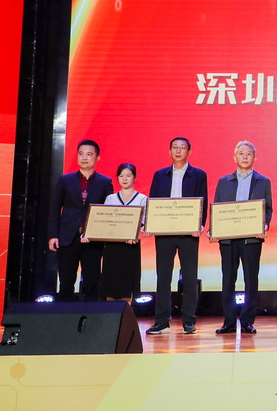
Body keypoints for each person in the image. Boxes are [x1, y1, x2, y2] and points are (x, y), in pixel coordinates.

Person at [146, 137, 209, 335]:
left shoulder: (199, 175)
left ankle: (189, 320)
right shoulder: (160, 175)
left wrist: (199, 225)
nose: (178, 151)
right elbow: (153, 201)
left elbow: (202, 201)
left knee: (190, 278)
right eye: (175, 147)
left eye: (182, 148)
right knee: (163, 277)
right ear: (169, 151)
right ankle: (162, 321)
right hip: (164, 232)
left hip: (188, 232)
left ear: (189, 152)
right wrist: (151, 224)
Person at [211, 141, 272, 335]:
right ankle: (228, 322)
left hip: (251, 239)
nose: (245, 157)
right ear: (234, 157)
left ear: (255, 157)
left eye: (249, 154)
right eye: (241, 153)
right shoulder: (223, 181)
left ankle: (247, 321)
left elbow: (267, 209)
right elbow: (217, 208)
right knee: (228, 279)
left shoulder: (263, 181)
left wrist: (264, 225)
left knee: (251, 280)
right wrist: (214, 229)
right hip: (228, 239)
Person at [48, 139, 114, 301]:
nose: (84, 157)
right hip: (67, 237)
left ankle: (90, 314)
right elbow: (54, 210)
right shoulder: (65, 180)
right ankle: (65, 313)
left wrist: (101, 234)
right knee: (66, 281)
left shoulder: (105, 182)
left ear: (97, 157)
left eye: (89, 154)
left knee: (92, 281)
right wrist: (53, 235)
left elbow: (108, 212)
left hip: (92, 239)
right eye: (81, 154)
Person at [98, 163, 147, 302]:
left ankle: (126, 313)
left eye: (128, 175)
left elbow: (144, 222)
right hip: (112, 247)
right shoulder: (111, 198)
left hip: (131, 246)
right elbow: (105, 221)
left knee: (127, 284)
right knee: (110, 284)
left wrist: (135, 233)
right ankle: (110, 314)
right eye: (121, 176)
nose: (124, 179)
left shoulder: (142, 198)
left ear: (135, 177)